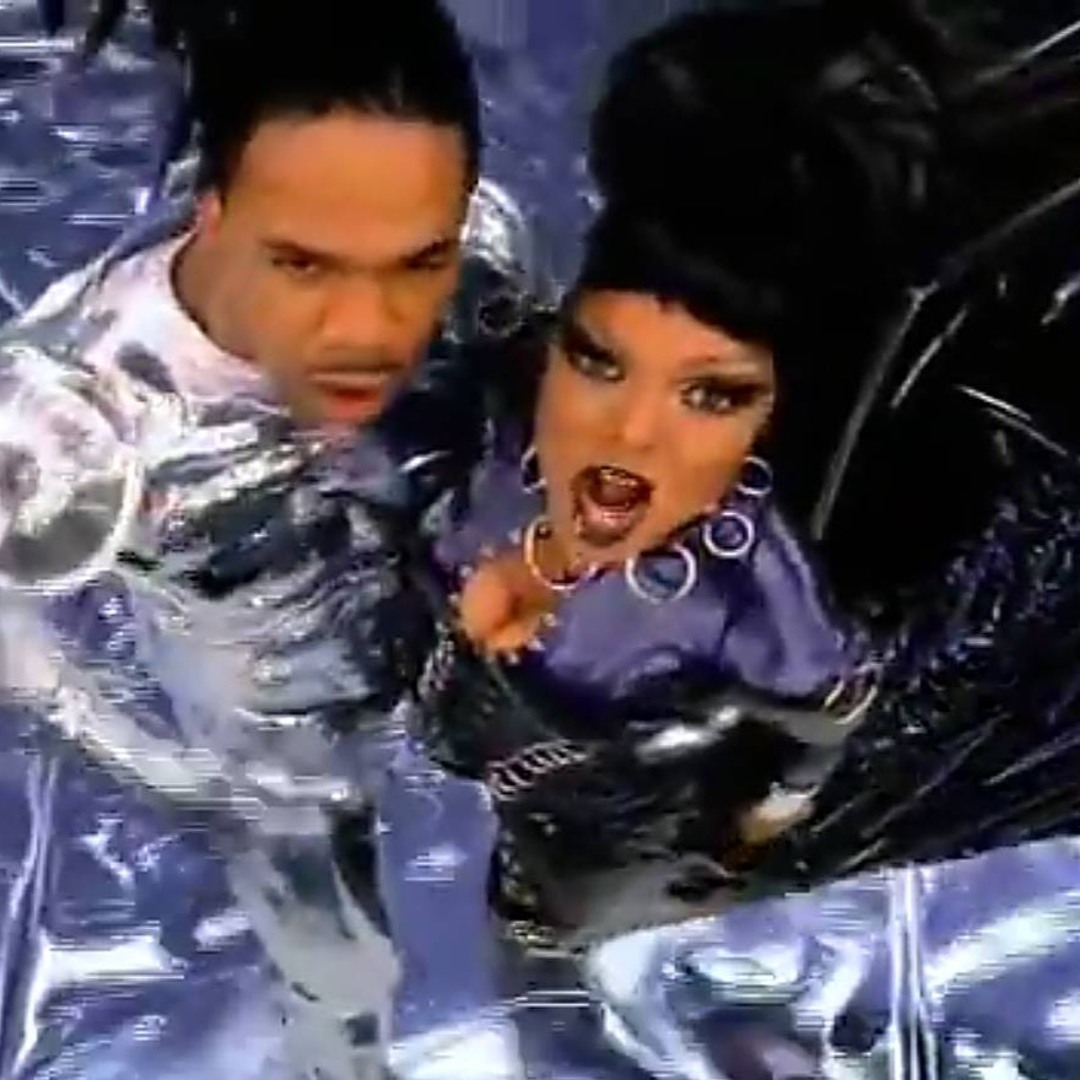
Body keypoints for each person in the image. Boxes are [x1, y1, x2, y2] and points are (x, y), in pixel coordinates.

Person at [0, 1, 541, 1076]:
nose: (370, 331)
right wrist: (164, 771)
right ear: (212, 213)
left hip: (461, 642)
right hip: (279, 751)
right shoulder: (72, 424)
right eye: (304, 264)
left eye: (415, 261)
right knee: (342, 976)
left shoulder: (479, 244)